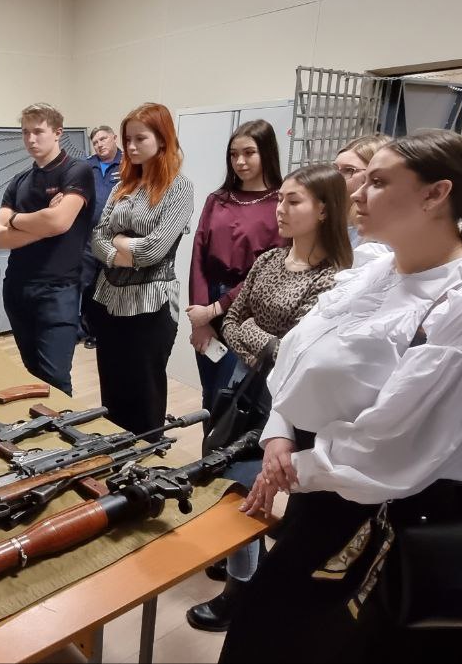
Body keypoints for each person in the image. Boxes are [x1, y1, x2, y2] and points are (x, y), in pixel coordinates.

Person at [220, 130, 462, 663]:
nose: (357, 194)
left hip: (378, 514)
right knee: (264, 631)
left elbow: (390, 449)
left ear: (436, 194)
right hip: (319, 488)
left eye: (379, 182)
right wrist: (279, 432)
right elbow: (296, 355)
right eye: (361, 180)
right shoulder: (376, 267)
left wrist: (292, 466)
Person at [186, 163, 352, 632]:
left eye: (293, 201)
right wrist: (268, 342)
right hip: (243, 386)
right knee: (230, 479)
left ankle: (240, 594)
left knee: (251, 488)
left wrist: (261, 338)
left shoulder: (334, 280)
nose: (280, 208)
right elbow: (233, 321)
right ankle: (241, 566)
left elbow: (299, 354)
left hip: (289, 401)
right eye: (280, 199)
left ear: (324, 210)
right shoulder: (268, 261)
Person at [87, 104, 192, 438]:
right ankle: (117, 454)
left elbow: (153, 250)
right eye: (127, 139)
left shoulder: (178, 187)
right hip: (109, 300)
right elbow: (97, 237)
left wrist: (119, 243)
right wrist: (119, 252)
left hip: (150, 304)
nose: (130, 146)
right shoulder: (123, 185)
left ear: (162, 139)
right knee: (112, 390)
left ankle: (146, 458)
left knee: (145, 394)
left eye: (140, 138)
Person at [0, 103, 94, 396]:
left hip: (57, 291)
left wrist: (15, 220)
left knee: (55, 378)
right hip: (17, 288)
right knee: (33, 375)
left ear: (58, 132)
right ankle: (40, 425)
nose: (30, 139)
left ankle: (63, 427)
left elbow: (59, 222)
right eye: (25, 132)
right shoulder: (20, 181)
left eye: (38, 131)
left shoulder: (77, 171)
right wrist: (41, 222)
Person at [186, 119, 285, 411]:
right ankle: (208, 442)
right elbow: (198, 256)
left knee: (234, 398)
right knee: (210, 394)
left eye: (249, 153)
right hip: (208, 304)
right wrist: (201, 318)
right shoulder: (217, 200)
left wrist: (216, 309)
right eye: (233, 154)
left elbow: (268, 271)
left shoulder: (280, 203)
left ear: (266, 153)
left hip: (249, 311)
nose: (240, 162)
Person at [79, 125, 122, 348]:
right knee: (87, 286)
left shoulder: (128, 165)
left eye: (103, 139)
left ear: (114, 138)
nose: (99, 144)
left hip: (115, 239)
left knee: (110, 285)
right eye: (95, 142)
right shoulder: (87, 165)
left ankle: (109, 331)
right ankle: (91, 332)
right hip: (88, 238)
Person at [333, 134, 390, 247]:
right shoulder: (327, 215)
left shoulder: (380, 242)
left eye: (348, 170)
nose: (335, 176)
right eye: (334, 169)